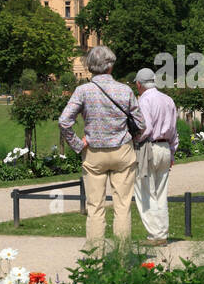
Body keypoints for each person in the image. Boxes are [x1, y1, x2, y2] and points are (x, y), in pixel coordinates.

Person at [59, 45, 145, 251]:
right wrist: (131, 137)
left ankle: (95, 260)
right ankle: (122, 259)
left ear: (90, 67)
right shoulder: (124, 90)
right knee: (122, 207)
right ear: (110, 66)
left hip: (94, 153)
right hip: (122, 152)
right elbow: (141, 124)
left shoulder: (83, 91)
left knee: (95, 208)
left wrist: (78, 145)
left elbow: (64, 121)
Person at [132, 67, 179, 246]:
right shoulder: (168, 99)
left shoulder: (144, 100)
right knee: (161, 192)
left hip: (148, 148)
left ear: (139, 84)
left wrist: (134, 139)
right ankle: (162, 233)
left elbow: (146, 128)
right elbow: (174, 130)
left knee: (145, 192)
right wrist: (172, 152)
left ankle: (155, 235)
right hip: (165, 147)